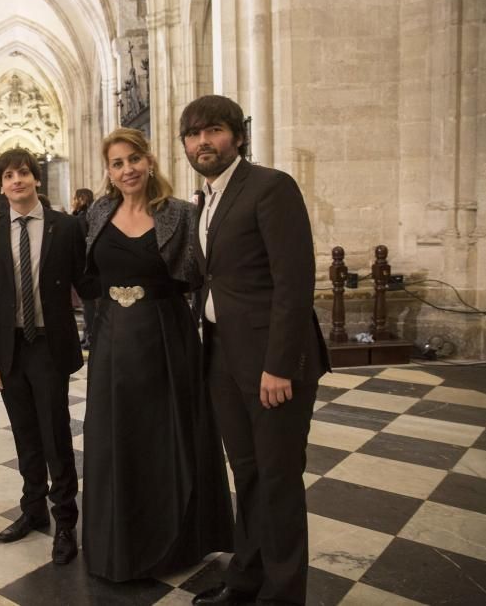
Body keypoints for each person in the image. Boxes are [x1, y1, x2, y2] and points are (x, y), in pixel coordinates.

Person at [182, 95, 329, 606]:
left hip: (272, 363)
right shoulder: (205, 199)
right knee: (247, 475)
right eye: (194, 134)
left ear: (237, 136)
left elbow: (294, 283)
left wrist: (279, 365)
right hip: (223, 358)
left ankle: (284, 595)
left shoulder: (270, 187)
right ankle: (246, 580)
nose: (204, 142)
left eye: (214, 131)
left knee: (279, 480)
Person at [83, 128, 233, 582]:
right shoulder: (98, 212)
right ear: (108, 172)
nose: (127, 169)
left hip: (167, 338)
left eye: (133, 159)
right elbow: (89, 279)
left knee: (167, 437)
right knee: (116, 439)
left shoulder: (183, 214)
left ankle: (176, 543)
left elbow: (202, 278)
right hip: (112, 341)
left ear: (149, 161)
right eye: (117, 163)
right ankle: (118, 544)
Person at [0, 148, 92, 565]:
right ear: (2, 185)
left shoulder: (66, 226)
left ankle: (65, 521)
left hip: (48, 344)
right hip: (10, 348)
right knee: (24, 433)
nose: (16, 181)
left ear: (36, 179)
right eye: (8, 175)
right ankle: (33, 509)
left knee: (55, 434)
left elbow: (86, 282)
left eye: (23, 173)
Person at [71, 188, 95, 349]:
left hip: (87, 269)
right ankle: (87, 335)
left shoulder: (82, 218)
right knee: (88, 307)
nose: (73, 201)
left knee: (90, 307)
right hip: (88, 268)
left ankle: (90, 336)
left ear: (81, 199)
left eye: (75, 198)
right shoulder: (87, 215)